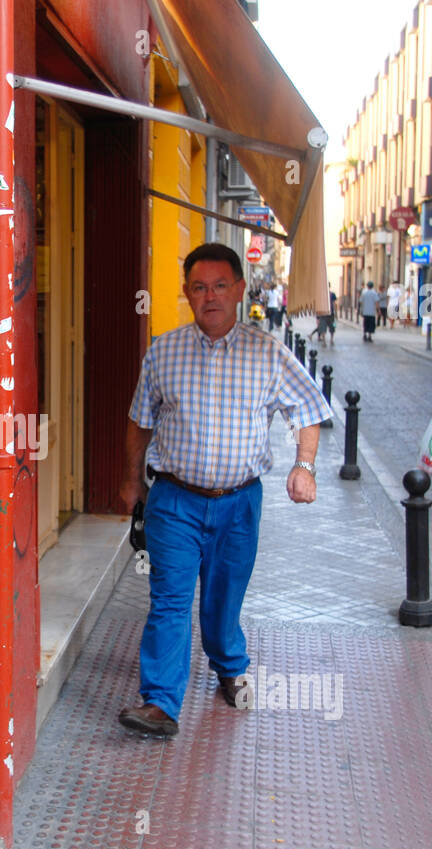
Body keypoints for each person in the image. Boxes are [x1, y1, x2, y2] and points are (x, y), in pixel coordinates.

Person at [116, 243, 332, 737]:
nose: (209, 296)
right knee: (170, 599)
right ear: (187, 293)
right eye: (198, 287)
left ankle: (229, 666)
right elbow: (139, 423)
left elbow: (309, 410)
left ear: (238, 290)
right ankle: (161, 702)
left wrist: (305, 466)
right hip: (174, 499)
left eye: (219, 286)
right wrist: (132, 482)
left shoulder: (268, 353)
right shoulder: (163, 352)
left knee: (223, 596)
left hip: (240, 502)